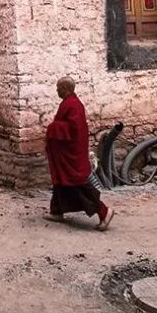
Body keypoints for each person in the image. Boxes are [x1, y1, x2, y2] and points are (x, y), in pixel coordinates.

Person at [44, 77, 114, 231]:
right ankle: (57, 211)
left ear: (65, 88)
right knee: (61, 181)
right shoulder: (70, 103)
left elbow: (73, 130)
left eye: (58, 88)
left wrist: (53, 128)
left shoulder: (73, 105)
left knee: (76, 184)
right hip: (64, 154)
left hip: (71, 155)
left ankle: (104, 211)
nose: (56, 90)